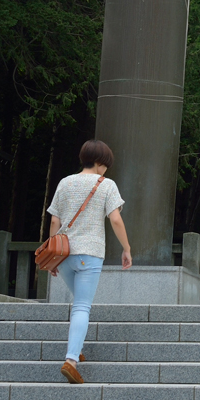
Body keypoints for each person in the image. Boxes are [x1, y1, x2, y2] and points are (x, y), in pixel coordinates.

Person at [45, 139, 130, 384]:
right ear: (101, 163)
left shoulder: (65, 182)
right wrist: (126, 248)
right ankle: (71, 360)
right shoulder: (107, 185)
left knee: (78, 302)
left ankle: (77, 345)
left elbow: (54, 221)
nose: (107, 170)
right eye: (107, 165)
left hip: (64, 255)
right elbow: (115, 220)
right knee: (82, 306)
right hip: (89, 254)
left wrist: (53, 254)